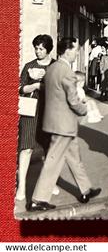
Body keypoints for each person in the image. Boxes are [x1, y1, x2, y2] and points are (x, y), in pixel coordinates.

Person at [28, 37, 101, 211]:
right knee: (53, 161)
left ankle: (85, 190)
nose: (77, 53)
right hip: (63, 124)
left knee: (74, 158)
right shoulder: (67, 72)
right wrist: (87, 108)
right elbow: (73, 100)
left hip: (57, 123)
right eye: (75, 49)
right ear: (68, 50)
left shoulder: (52, 68)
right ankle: (38, 199)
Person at [16, 34, 55, 202]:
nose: (38, 52)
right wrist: (34, 84)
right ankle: (22, 188)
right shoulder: (29, 66)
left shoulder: (55, 66)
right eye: (36, 48)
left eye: (41, 49)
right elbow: (19, 88)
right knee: (26, 148)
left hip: (49, 111)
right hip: (30, 111)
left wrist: (44, 83)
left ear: (48, 49)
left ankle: (49, 184)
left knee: (50, 150)